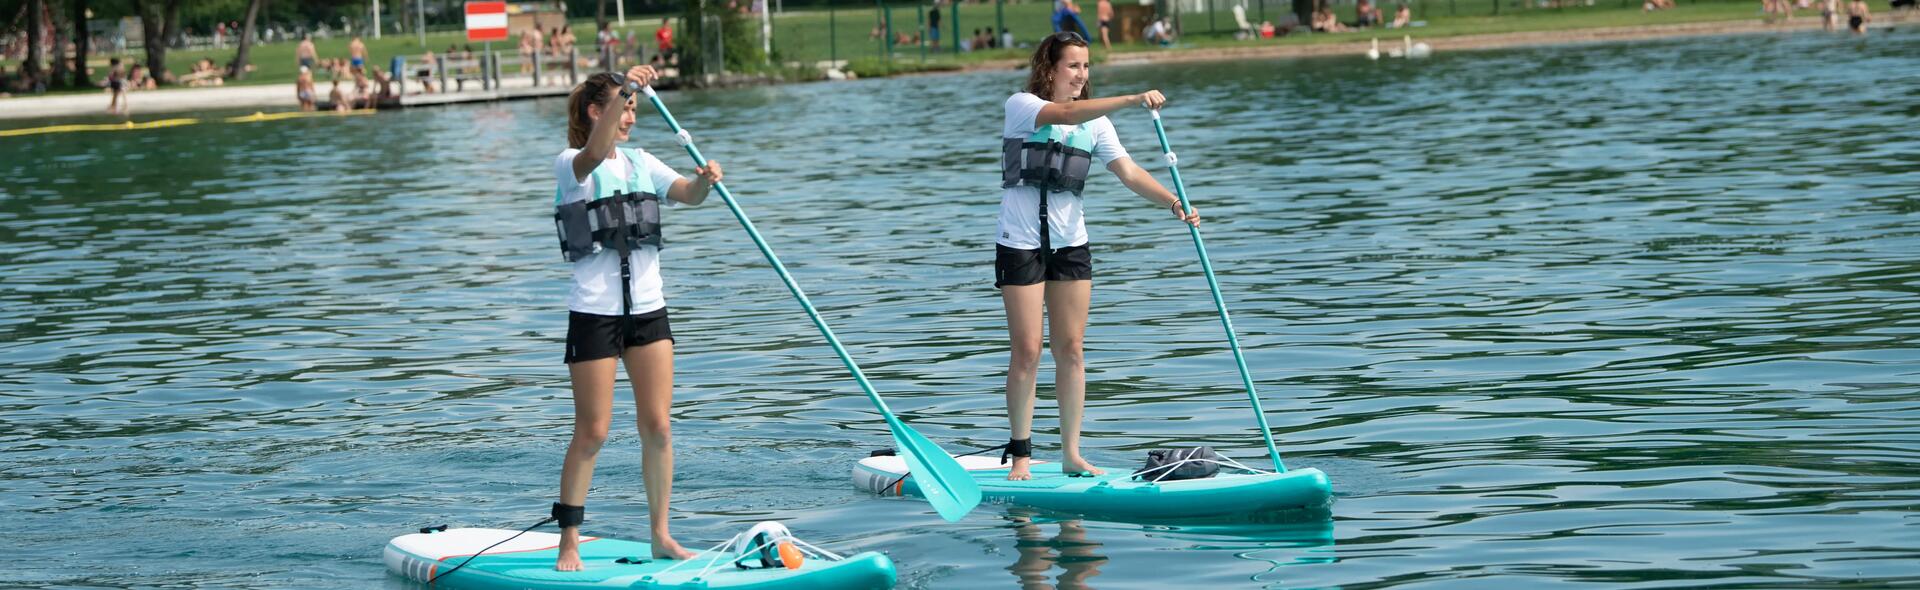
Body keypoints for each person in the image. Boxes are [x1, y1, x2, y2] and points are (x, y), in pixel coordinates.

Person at [994, 32, 1197, 481]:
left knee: (1071, 349)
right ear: (1050, 68)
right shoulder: (1022, 104)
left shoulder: (1097, 125)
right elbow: (1063, 113)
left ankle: (1071, 453)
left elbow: (1128, 172)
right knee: (1027, 351)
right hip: (1020, 241)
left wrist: (1173, 203)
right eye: (1073, 66)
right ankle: (1022, 454)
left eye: (1086, 67)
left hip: (1071, 244)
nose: (1082, 75)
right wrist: (1130, 98)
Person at [550, 65, 723, 570]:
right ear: (594, 111)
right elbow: (596, 153)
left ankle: (660, 535)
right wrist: (627, 83)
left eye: (634, 106)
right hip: (595, 313)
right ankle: (569, 539)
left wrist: (705, 180)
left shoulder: (643, 162)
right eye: (623, 106)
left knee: (659, 426)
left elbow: (688, 196)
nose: (631, 114)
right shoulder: (570, 164)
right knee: (594, 431)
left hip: (648, 309)